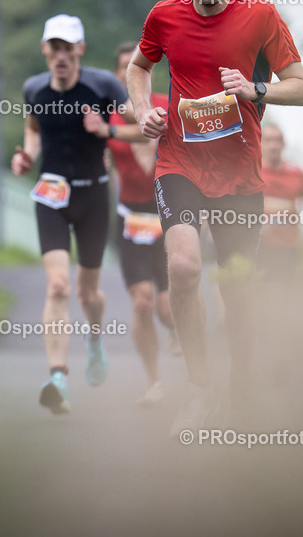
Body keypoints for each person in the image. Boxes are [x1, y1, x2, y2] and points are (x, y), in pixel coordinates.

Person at [125, 0, 303, 435]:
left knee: (237, 290)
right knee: (184, 269)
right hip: (179, 160)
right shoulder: (164, 16)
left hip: (241, 175)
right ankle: (201, 390)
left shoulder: (261, 16)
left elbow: (301, 87)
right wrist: (143, 112)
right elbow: (139, 68)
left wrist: (255, 89)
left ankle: (243, 384)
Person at [12, 14, 132, 415]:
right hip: (51, 195)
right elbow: (32, 127)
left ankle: (94, 340)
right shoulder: (33, 88)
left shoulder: (104, 86)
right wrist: (26, 152)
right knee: (59, 287)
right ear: (45, 50)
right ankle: (58, 376)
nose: (61, 56)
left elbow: (143, 126)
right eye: (54, 48)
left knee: (87, 294)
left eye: (68, 48)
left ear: (80, 50)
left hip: (94, 197)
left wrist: (108, 132)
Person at [105, 42, 182, 407]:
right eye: (122, 66)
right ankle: (154, 382)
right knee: (141, 303)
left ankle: (180, 336)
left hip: (167, 215)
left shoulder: (165, 107)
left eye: (134, 65)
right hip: (130, 218)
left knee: (167, 308)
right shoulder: (109, 117)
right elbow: (100, 158)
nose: (128, 71)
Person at [257, 123, 303, 280]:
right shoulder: (252, 170)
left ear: (284, 144)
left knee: (284, 291)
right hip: (259, 247)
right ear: (261, 142)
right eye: (268, 140)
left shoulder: (297, 172)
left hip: (288, 245)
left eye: (278, 140)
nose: (273, 145)